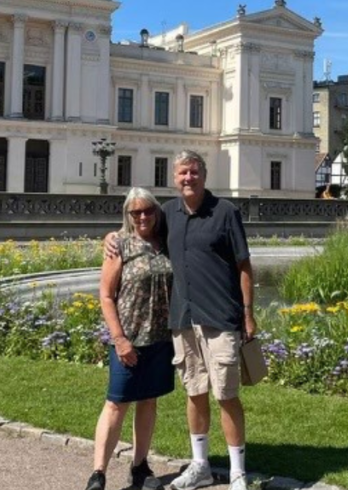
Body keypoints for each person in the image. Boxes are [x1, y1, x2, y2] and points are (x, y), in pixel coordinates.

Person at [111, 150, 255, 490]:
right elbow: (138, 223)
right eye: (181, 174)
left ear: (204, 175)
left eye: (193, 172)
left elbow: (244, 265)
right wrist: (111, 237)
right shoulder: (168, 213)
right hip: (184, 319)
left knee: (227, 394)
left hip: (220, 316)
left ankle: (237, 471)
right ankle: (200, 465)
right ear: (174, 179)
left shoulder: (225, 212)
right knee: (195, 392)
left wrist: (248, 313)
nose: (187, 178)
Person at [87, 187, 174, 490]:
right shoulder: (119, 245)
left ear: (157, 212)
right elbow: (106, 295)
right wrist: (119, 338)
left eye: (148, 210)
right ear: (127, 215)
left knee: (148, 401)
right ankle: (98, 473)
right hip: (128, 338)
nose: (142, 216)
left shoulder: (165, 243)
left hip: (160, 338)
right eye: (135, 212)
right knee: (116, 403)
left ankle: (139, 465)